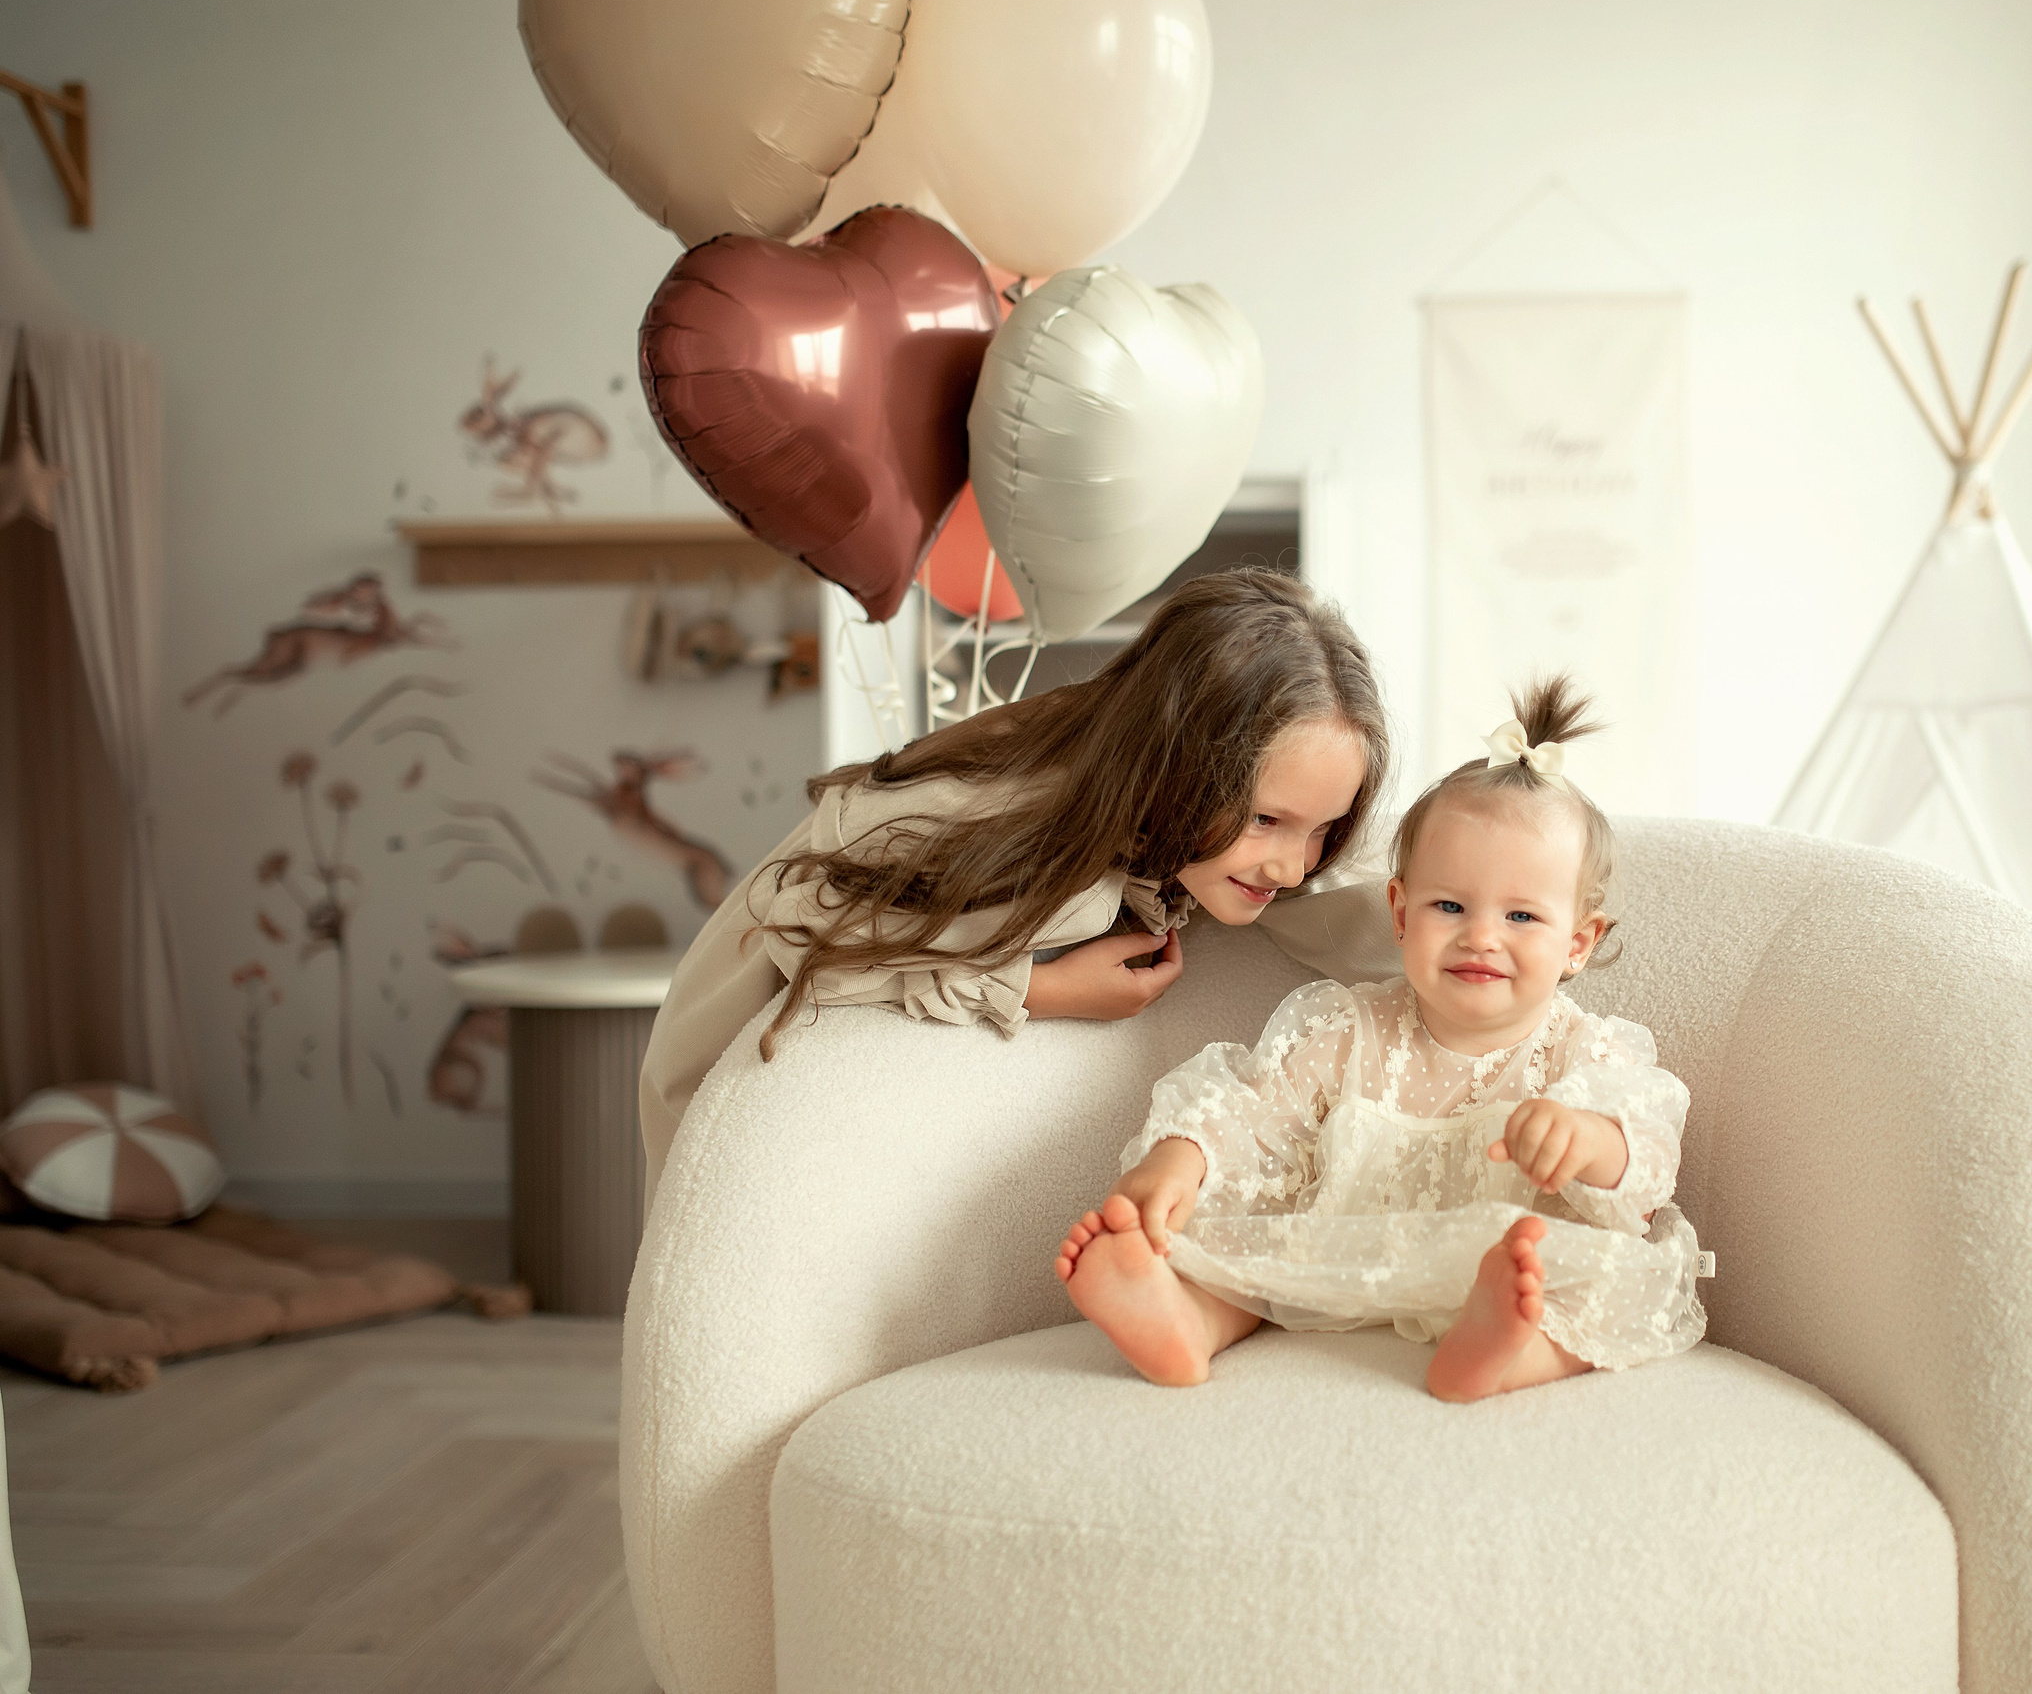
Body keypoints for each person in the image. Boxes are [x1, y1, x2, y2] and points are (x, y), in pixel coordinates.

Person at [638, 569, 1391, 1201]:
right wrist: (1035, 989)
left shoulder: (1182, 819)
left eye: (1321, 827)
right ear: (1180, 758)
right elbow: (802, 920)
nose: (1293, 865)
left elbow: (1355, 893)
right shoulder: (1026, 820)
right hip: (713, 1058)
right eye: (1267, 819)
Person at [1055, 678, 1710, 1403]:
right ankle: (1185, 1318)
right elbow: (1252, 1106)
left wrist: (1590, 1139)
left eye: (1522, 915)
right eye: (1450, 905)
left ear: (1579, 942)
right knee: (1235, 1246)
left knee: (1617, 1275)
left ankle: (1509, 1345)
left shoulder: (1584, 1052)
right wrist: (1180, 1159)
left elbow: (1649, 1147)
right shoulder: (1350, 1029)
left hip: (1509, 1250)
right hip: (1346, 1255)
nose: (1481, 935)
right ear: (1400, 912)